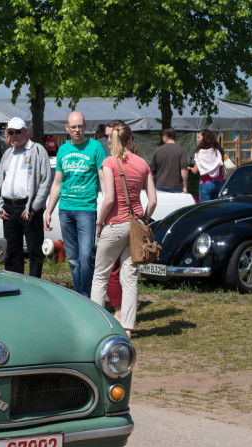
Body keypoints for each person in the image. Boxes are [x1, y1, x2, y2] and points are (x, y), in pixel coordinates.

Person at [91, 124, 156, 339]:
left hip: (114, 225)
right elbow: (153, 201)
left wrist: (99, 222)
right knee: (130, 278)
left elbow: (109, 198)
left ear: (114, 141)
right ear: (130, 140)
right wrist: (144, 218)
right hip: (135, 225)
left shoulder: (109, 162)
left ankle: (96, 324)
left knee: (100, 276)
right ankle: (128, 327)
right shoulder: (142, 163)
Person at [44, 111, 106, 297]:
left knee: (86, 256)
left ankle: (86, 295)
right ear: (67, 128)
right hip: (65, 210)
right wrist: (49, 211)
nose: (77, 130)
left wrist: (104, 210)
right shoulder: (63, 150)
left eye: (80, 126)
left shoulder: (95, 147)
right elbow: (57, 183)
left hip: (86, 209)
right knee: (72, 258)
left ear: (85, 126)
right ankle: (81, 294)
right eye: (73, 127)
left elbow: (103, 181)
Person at [0, 116, 51, 278]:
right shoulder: (7, 153)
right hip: (9, 207)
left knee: (34, 251)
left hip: (29, 207)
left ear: (26, 131)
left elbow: (45, 181)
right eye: (10, 132)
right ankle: (15, 285)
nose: (14, 136)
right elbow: (0, 180)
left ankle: (35, 288)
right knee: (12, 252)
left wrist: (34, 206)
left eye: (18, 132)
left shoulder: (37, 150)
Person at [149, 127, 188, 193]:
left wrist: (152, 187)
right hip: (176, 187)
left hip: (160, 187)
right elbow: (184, 171)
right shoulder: (181, 150)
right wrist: (185, 187)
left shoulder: (157, 150)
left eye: (163, 136)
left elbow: (152, 173)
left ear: (165, 137)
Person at [189, 129, 225, 202]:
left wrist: (188, 168)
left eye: (199, 137)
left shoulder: (200, 153)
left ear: (204, 139)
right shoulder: (218, 151)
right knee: (217, 209)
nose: (197, 139)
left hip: (206, 183)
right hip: (219, 183)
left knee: (205, 210)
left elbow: (195, 171)